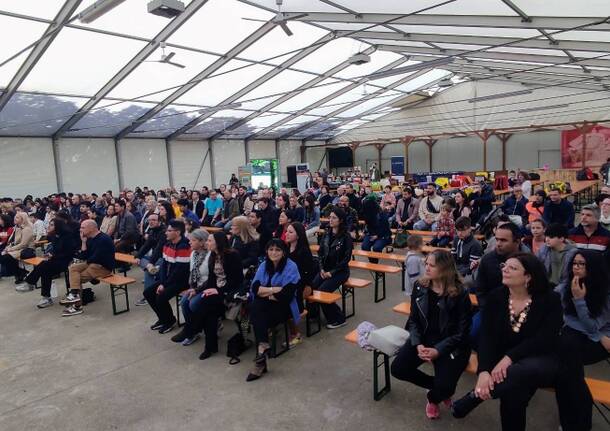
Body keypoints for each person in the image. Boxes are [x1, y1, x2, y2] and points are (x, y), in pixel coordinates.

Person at [452, 253, 563, 431]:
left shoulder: (550, 299)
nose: (504, 269)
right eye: (505, 266)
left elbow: (544, 339)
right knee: (514, 393)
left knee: (518, 372)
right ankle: (480, 393)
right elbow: (487, 338)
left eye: (512, 268)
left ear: (528, 276)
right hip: (504, 363)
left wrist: (509, 358)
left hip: (538, 359)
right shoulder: (496, 297)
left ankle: (477, 395)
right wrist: (484, 371)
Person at [391, 250, 472, 420]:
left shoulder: (460, 293)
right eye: (426, 263)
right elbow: (413, 320)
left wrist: (437, 350)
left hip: (451, 345)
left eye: (432, 265)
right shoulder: (420, 286)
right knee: (398, 369)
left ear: (445, 268)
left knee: (446, 387)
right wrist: (418, 343)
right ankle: (437, 388)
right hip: (424, 339)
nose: (426, 268)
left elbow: (461, 333)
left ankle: (434, 397)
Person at [555, 250, 610, 431]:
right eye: (574, 263)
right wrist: (596, 334)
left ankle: (573, 423)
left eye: (582, 264)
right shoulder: (566, 286)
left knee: (566, 360)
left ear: (593, 268)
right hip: (588, 337)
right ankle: (575, 424)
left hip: (602, 342)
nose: (576, 267)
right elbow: (566, 317)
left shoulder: (605, 292)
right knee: (566, 372)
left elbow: (592, 325)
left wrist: (579, 300)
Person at [247, 239, 301, 382]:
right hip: (265, 306)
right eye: (271, 249)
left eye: (277, 250)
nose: (273, 252)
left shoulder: (291, 267)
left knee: (257, 311)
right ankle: (262, 352)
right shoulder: (264, 265)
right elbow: (254, 288)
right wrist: (274, 290)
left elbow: (286, 295)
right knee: (257, 309)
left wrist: (265, 292)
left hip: (284, 308)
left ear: (283, 252)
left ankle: (261, 359)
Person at [194, 232, 243, 360]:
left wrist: (219, 291)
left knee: (206, 308)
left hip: (230, 291)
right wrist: (200, 290)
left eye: (210, 241)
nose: (207, 243)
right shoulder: (213, 255)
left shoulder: (232, 255)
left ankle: (205, 342)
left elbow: (237, 280)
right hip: (217, 290)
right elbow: (211, 278)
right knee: (206, 309)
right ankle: (209, 345)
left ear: (218, 243)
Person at [144, 219, 191, 334]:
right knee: (148, 293)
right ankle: (163, 318)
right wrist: (162, 282)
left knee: (160, 296)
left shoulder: (184, 246)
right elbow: (164, 265)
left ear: (178, 232)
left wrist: (164, 284)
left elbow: (179, 272)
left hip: (182, 281)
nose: (166, 233)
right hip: (168, 280)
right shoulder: (167, 243)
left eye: (169, 230)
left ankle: (169, 321)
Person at [61, 220, 115, 317]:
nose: (80, 229)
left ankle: (77, 306)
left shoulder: (103, 239)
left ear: (91, 228)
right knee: (72, 268)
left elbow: (96, 258)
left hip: (103, 268)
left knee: (76, 280)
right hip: (93, 263)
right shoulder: (89, 238)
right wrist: (83, 242)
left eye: (83, 227)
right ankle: (74, 295)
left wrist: (84, 263)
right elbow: (83, 256)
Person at [18, 218, 76, 305]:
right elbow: (55, 250)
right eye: (49, 224)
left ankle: (30, 283)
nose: (49, 226)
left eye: (52, 225)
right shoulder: (54, 236)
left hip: (66, 261)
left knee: (44, 266)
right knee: (45, 269)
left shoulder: (68, 236)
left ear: (58, 226)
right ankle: (46, 298)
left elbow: (69, 253)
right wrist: (50, 254)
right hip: (55, 260)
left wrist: (53, 256)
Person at [311, 208, 352, 329]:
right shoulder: (327, 233)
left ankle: (338, 318)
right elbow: (320, 253)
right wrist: (322, 269)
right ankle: (314, 314)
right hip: (325, 270)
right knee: (312, 287)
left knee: (323, 290)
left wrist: (332, 272)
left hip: (340, 271)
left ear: (341, 220)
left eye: (334, 218)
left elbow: (346, 259)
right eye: (330, 217)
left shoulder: (346, 237)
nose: (331, 219)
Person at [169, 228, 210, 347]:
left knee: (193, 304)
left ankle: (191, 330)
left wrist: (196, 290)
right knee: (184, 303)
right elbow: (192, 273)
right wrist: (192, 288)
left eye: (193, 240)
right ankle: (192, 331)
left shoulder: (210, 255)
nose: (189, 242)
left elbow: (211, 279)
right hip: (195, 287)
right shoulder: (193, 254)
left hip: (206, 287)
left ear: (202, 242)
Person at [285, 222, 315, 345]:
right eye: (287, 231)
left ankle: (296, 334)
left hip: (301, 285)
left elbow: (307, 275)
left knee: (289, 297)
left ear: (298, 236)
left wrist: (305, 287)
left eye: (290, 232)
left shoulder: (304, 252)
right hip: (287, 282)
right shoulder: (285, 248)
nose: (286, 233)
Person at [133, 213, 166, 306]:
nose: (150, 222)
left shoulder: (164, 232)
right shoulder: (152, 231)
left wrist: (150, 263)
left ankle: (148, 296)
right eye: (149, 220)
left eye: (153, 220)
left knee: (149, 272)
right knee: (140, 258)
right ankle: (151, 269)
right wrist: (138, 256)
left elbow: (159, 250)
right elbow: (147, 245)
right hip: (155, 259)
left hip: (164, 258)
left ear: (159, 221)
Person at [536, 223, 576, 288]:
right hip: (546, 285)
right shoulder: (544, 249)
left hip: (564, 287)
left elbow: (568, 278)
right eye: (546, 236)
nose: (547, 239)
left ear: (561, 238)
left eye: (551, 237)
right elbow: (536, 266)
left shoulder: (572, 253)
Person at [0, 212, 34, 283]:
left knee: (5, 258)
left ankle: (20, 273)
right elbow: (12, 241)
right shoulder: (16, 228)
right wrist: (7, 248)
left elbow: (23, 244)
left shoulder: (27, 229)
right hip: (17, 249)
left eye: (17, 217)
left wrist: (10, 249)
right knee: (4, 257)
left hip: (26, 249)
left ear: (23, 219)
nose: (15, 218)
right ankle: (20, 273)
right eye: (15, 217)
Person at [361, 196, 392, 261]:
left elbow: (386, 229)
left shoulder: (382, 214)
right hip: (372, 233)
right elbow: (369, 226)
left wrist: (377, 235)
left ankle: (375, 262)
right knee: (364, 246)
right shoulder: (367, 214)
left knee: (376, 247)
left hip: (383, 235)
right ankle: (372, 261)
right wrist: (368, 233)